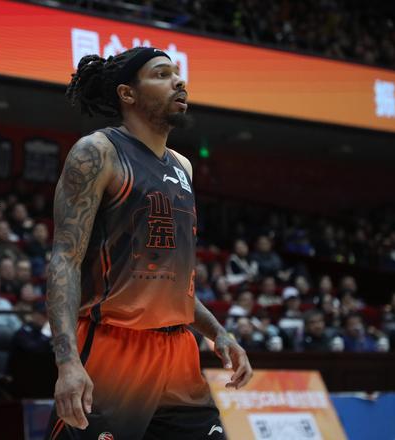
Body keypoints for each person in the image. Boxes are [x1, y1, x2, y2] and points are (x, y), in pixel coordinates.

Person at [45, 47, 251, 439]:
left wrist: (218, 332)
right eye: (161, 74)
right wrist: (67, 362)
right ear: (127, 94)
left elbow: (172, 283)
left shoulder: (183, 166)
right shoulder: (98, 152)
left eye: (178, 73)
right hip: (114, 347)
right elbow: (64, 260)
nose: (179, 81)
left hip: (179, 354)